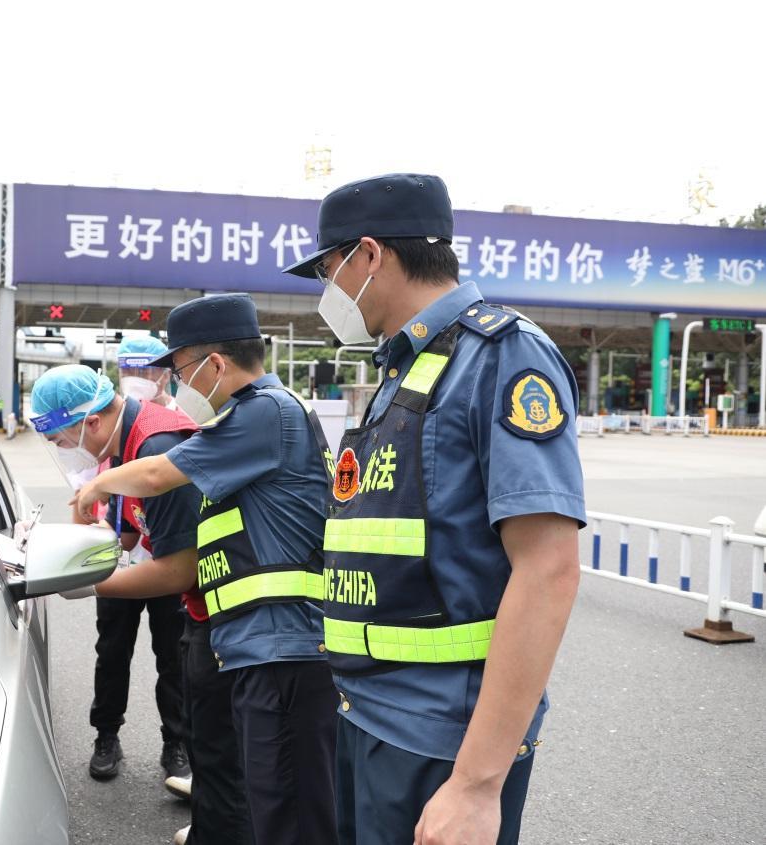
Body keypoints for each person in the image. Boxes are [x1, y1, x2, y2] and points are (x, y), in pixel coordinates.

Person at [282, 173, 584, 845]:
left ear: (367, 256)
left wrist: (477, 785)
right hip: (370, 712)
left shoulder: (501, 356)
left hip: (439, 737)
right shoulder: (405, 366)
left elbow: (548, 569)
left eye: (327, 270)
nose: (327, 290)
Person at [73, 293, 338, 845]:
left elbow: (153, 477)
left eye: (181, 369)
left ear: (215, 364)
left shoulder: (262, 412)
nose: (175, 385)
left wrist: (97, 483)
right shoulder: (256, 416)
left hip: (284, 647)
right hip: (258, 642)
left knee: (290, 813)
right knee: (267, 800)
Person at [28, 366, 191, 791]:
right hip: (163, 575)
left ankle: (180, 747)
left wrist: (88, 582)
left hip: (213, 604)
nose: (63, 451)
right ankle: (107, 735)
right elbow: (134, 530)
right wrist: (75, 531)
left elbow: (178, 571)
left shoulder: (155, 445)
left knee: (176, 663)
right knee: (113, 652)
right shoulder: (123, 447)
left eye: (60, 440)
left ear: (92, 422)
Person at [116, 335, 176, 408]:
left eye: (143, 371)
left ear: (166, 376)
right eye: (127, 371)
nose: (134, 380)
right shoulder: (118, 416)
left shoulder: (181, 415)